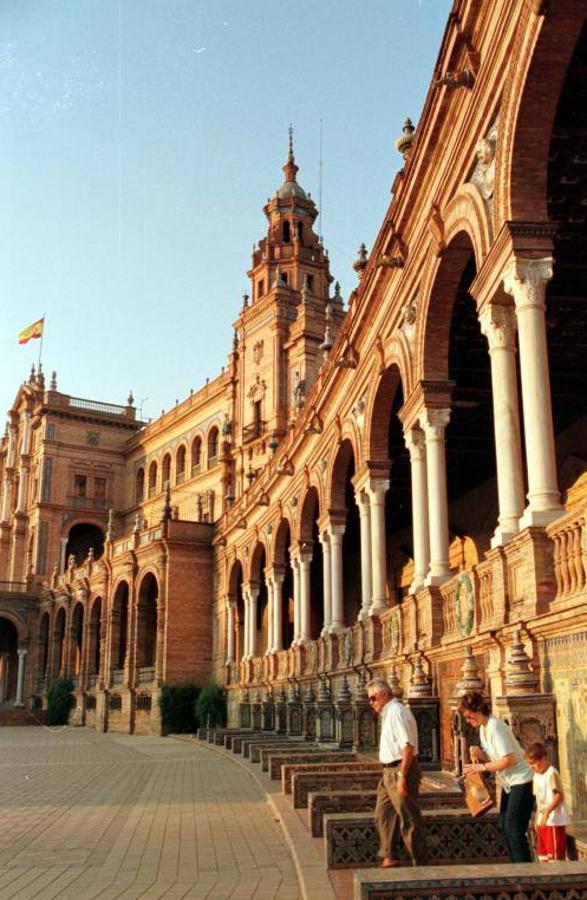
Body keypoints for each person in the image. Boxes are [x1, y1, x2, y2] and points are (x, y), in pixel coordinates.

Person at [461, 691, 534, 862]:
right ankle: (518, 866)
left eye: (469, 715)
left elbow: (510, 759)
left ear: (478, 709)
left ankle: (526, 870)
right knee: (504, 825)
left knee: (514, 828)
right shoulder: (483, 729)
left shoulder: (495, 726)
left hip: (522, 780)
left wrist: (481, 766)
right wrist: (481, 755)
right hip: (510, 782)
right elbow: (497, 759)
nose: (467, 720)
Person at [366, 677, 429, 867]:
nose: (371, 703)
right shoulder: (389, 712)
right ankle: (389, 855)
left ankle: (419, 860)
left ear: (384, 694)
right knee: (383, 813)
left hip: (400, 769)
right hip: (388, 772)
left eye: (373, 698)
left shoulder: (397, 713)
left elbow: (408, 746)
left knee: (409, 816)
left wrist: (402, 776)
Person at [526, 742, 568, 862]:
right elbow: (539, 800)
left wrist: (547, 813)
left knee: (554, 858)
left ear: (544, 759)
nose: (532, 767)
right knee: (543, 856)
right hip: (543, 822)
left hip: (553, 821)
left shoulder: (551, 773)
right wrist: (537, 819)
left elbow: (559, 795)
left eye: (534, 763)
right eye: (530, 764)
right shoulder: (536, 776)